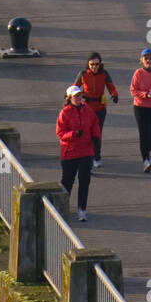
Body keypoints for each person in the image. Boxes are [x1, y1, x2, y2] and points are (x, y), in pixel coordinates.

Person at [56, 85, 99, 223]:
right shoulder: (65, 112)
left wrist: (96, 136)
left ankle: (82, 210)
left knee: (84, 180)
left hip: (86, 151)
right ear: (69, 98)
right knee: (67, 181)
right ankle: (61, 208)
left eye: (80, 95)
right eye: (75, 96)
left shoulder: (88, 109)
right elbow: (60, 133)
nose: (79, 98)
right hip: (69, 152)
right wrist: (73, 134)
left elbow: (95, 124)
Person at [75, 53, 118, 167]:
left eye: (97, 64)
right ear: (88, 64)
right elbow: (75, 87)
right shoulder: (83, 74)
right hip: (86, 108)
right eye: (92, 64)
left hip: (100, 108)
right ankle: (86, 155)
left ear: (100, 64)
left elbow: (110, 86)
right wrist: (68, 95)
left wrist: (114, 95)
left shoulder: (104, 74)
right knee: (86, 132)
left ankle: (97, 157)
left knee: (97, 133)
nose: (94, 66)